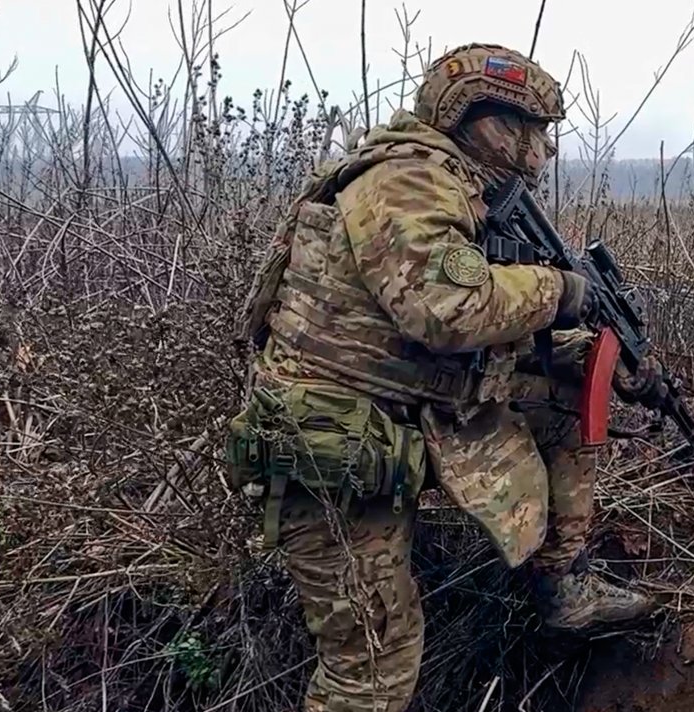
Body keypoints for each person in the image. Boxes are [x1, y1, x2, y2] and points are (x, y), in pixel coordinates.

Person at [225, 42, 663, 711]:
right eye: (532, 132)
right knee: (374, 665)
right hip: (333, 447)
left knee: (571, 399)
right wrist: (559, 290)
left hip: (409, 416)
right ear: (485, 121)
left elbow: (471, 336)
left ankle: (566, 589)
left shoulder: (464, 193)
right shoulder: (407, 179)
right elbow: (446, 309)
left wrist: (589, 357)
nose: (542, 153)